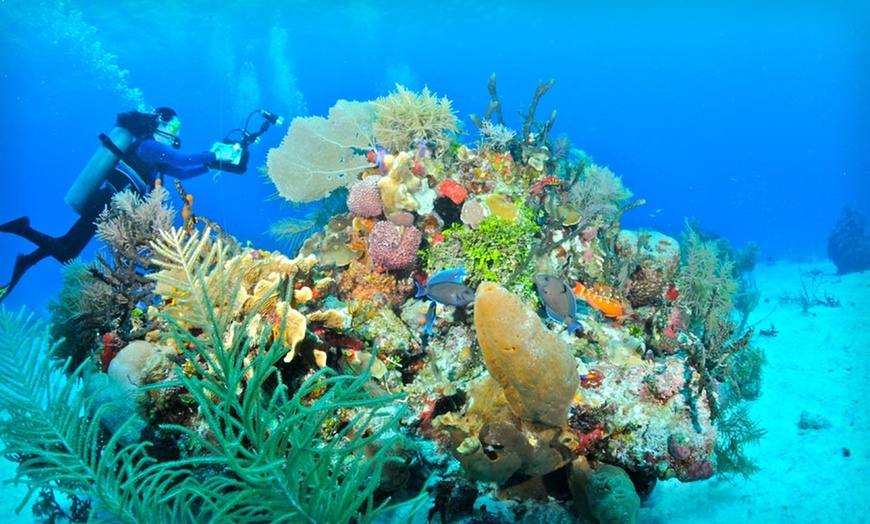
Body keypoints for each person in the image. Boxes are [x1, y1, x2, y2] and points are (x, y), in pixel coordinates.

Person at [0, 107, 238, 301]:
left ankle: (25, 262)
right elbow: (182, 159)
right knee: (68, 253)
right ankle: (23, 229)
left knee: (66, 244)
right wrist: (216, 155)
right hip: (105, 202)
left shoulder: (155, 154)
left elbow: (182, 171)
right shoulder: (150, 146)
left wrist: (211, 164)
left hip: (107, 203)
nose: (175, 132)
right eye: (174, 126)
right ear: (160, 124)